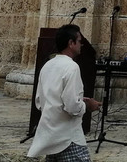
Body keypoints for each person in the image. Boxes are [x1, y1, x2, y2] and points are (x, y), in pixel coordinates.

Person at [27, 24, 102, 162]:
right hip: (68, 139)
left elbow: (40, 101)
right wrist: (88, 105)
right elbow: (72, 107)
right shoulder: (72, 67)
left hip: (50, 137)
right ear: (71, 43)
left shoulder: (47, 65)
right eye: (79, 41)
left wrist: (80, 101)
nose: (82, 45)